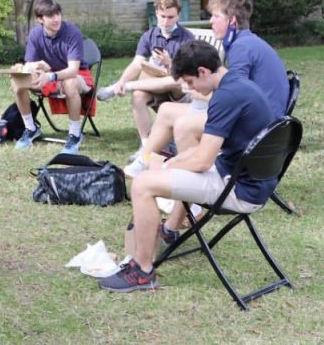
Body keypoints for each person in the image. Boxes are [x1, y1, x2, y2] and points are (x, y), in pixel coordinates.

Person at [98, 40, 276, 293]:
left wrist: (166, 167)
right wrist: (173, 163)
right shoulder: (237, 81)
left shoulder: (226, 97)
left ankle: (142, 270)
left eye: (191, 83)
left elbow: (203, 161)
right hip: (254, 179)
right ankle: (169, 229)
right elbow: (203, 154)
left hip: (239, 189)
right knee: (180, 143)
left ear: (203, 71)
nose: (191, 89)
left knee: (142, 185)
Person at [123, 0, 288, 178]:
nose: (211, 21)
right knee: (166, 110)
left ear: (231, 21)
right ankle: (143, 161)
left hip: (257, 127)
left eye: (216, 16)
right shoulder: (247, 42)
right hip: (264, 121)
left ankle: (193, 181)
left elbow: (236, 95)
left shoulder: (241, 48)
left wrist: (198, 92)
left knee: (184, 124)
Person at [95, 0, 195, 173]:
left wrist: (169, 62)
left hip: (179, 90)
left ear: (178, 16)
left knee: (173, 79)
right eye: (162, 16)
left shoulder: (186, 39)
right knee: (139, 96)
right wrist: (123, 80)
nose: (165, 21)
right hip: (154, 85)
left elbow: (188, 75)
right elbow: (137, 63)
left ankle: (128, 87)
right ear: (156, 14)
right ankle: (146, 146)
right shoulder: (150, 36)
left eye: (170, 17)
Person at [12, 0, 92, 153]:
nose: (56, 19)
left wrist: (49, 76)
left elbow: (73, 70)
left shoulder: (72, 32)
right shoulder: (35, 34)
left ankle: (75, 134)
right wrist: (27, 70)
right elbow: (32, 66)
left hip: (77, 76)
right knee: (18, 83)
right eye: (51, 16)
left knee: (69, 83)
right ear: (40, 19)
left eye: (58, 14)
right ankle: (30, 129)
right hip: (48, 74)